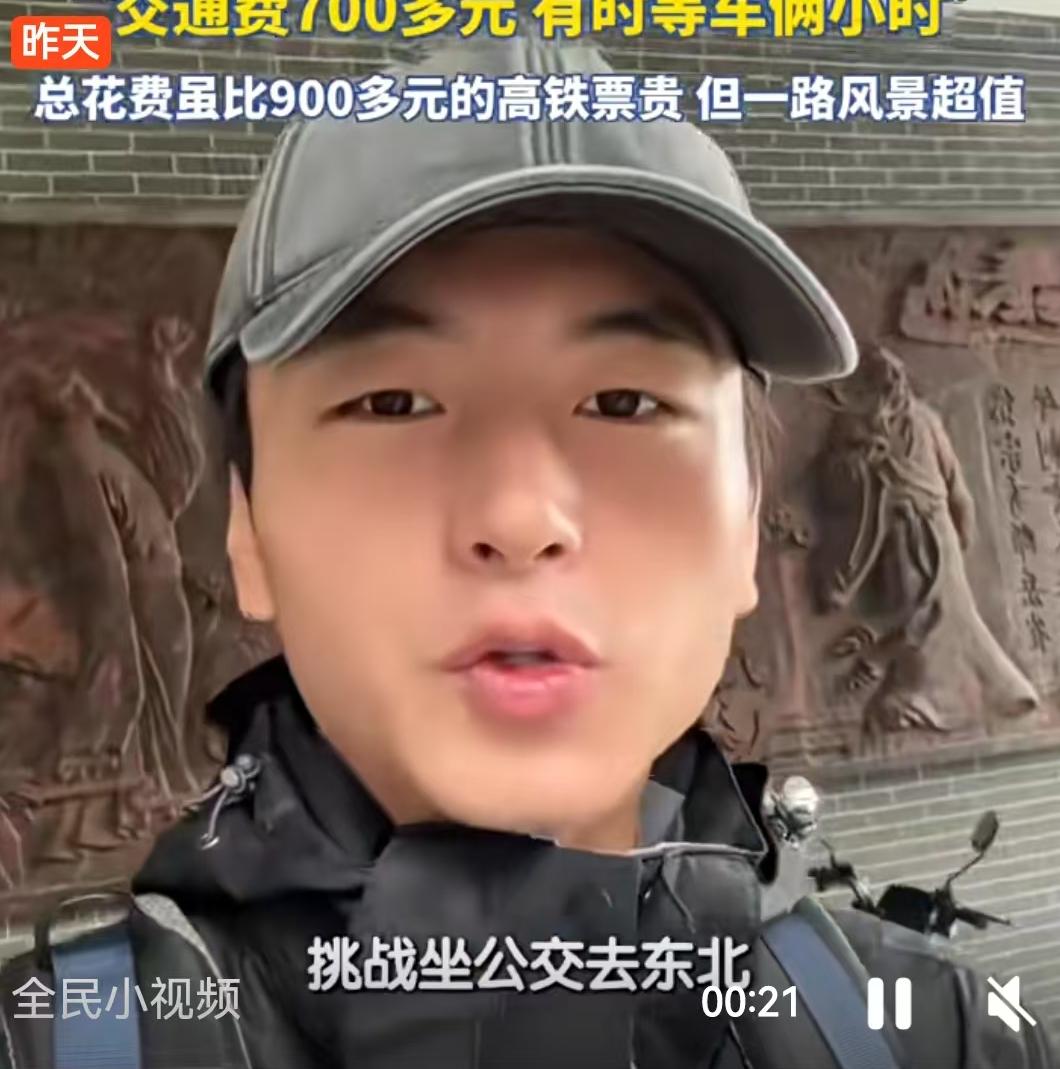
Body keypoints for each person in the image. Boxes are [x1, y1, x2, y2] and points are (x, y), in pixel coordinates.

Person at [1, 36, 1055, 1069]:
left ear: (743, 524)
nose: (518, 514)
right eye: (392, 401)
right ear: (248, 532)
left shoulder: (940, 1037)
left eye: (625, 401)